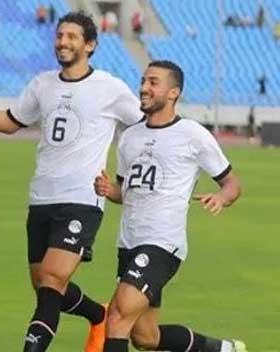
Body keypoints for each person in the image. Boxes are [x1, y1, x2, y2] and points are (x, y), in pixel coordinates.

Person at [0, 11, 143, 351]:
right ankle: (98, 315)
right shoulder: (42, 84)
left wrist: (126, 174)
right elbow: (13, 121)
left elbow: (144, 128)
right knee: (46, 286)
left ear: (90, 45)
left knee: (52, 281)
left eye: (72, 37)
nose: (62, 42)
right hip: (42, 198)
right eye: (59, 36)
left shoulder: (110, 88)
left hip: (82, 199)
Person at [94, 60, 245, 352]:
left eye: (153, 82)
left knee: (117, 315)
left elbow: (232, 184)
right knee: (145, 337)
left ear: (173, 93)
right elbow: (125, 192)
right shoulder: (130, 137)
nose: (144, 88)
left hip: (162, 244)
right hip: (128, 244)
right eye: (143, 81)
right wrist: (108, 189)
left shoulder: (192, 134)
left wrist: (221, 198)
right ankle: (222, 349)